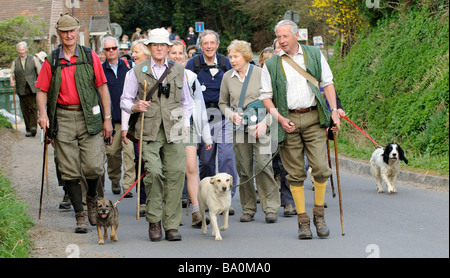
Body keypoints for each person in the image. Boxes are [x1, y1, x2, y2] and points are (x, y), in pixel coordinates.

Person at [260, 20, 340, 239]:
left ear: (296, 35)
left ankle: (319, 214)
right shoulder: (271, 64)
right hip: (289, 121)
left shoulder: (314, 54)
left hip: (314, 117)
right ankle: (303, 221)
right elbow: (266, 96)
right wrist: (279, 118)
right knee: (294, 174)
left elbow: (328, 83)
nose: (281, 40)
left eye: (285, 36)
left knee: (321, 168)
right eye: (278, 37)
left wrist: (334, 111)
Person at [36, 13, 113, 233]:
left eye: (72, 31)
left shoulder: (90, 57)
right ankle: (80, 214)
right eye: (64, 31)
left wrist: (107, 118)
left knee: (94, 165)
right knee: (68, 169)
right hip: (62, 117)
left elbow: (102, 88)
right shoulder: (52, 60)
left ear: (77, 32)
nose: (69, 35)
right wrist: (43, 115)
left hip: (90, 116)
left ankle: (91, 199)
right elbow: (41, 91)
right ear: (59, 34)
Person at [120, 28, 193, 241]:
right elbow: (124, 100)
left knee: (176, 174)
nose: (159, 48)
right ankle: (154, 220)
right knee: (153, 173)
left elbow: (187, 102)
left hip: (175, 130)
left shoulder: (179, 70)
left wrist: (185, 122)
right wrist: (135, 106)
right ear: (149, 48)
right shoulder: (136, 70)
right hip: (148, 129)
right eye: (155, 45)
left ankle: (171, 225)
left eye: (163, 45)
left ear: (169, 48)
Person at [219, 40, 280, 223]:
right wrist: (231, 115)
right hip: (239, 128)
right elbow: (222, 103)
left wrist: (265, 124)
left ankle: (270, 207)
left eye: (236, 56)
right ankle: (248, 208)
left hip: (261, 126)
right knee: (244, 168)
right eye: (230, 56)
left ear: (245, 56)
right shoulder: (227, 77)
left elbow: (275, 103)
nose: (232, 60)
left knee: (263, 165)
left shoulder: (261, 74)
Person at [185, 30, 239, 207]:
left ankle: (227, 198)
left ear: (217, 44)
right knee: (206, 160)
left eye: (212, 43)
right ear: (200, 46)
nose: (209, 46)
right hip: (202, 118)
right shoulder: (192, 64)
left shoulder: (225, 63)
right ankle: (207, 196)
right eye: (205, 43)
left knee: (227, 157)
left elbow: (236, 84)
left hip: (223, 116)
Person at [168, 40, 213, 227]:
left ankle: (196, 211)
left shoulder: (191, 77)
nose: (177, 56)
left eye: (181, 53)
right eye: (173, 53)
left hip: (190, 126)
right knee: (173, 170)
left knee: (191, 168)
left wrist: (207, 135)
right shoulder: (161, 75)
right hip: (169, 125)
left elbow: (200, 107)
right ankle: (173, 211)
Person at [101, 36, 135, 197]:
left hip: (128, 118)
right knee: (112, 153)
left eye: (114, 48)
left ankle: (127, 184)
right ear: (104, 52)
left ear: (119, 49)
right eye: (108, 49)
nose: (111, 51)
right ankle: (114, 178)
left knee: (130, 153)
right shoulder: (100, 71)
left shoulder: (129, 67)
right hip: (112, 120)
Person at [121, 39, 151, 217]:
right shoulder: (131, 73)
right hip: (138, 125)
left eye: (136, 52)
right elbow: (126, 101)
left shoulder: (157, 71)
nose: (133, 55)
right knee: (140, 161)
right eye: (132, 52)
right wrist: (125, 127)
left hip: (157, 125)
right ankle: (143, 200)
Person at [10, 41, 41, 137]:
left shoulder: (33, 59)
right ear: (17, 50)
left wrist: (40, 83)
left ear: (26, 49)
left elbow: (39, 72)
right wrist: (12, 80)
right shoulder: (15, 62)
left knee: (33, 107)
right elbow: (11, 74)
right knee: (24, 108)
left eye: (23, 49)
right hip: (21, 88)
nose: (22, 51)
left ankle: (33, 127)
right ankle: (28, 128)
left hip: (32, 87)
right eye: (20, 49)